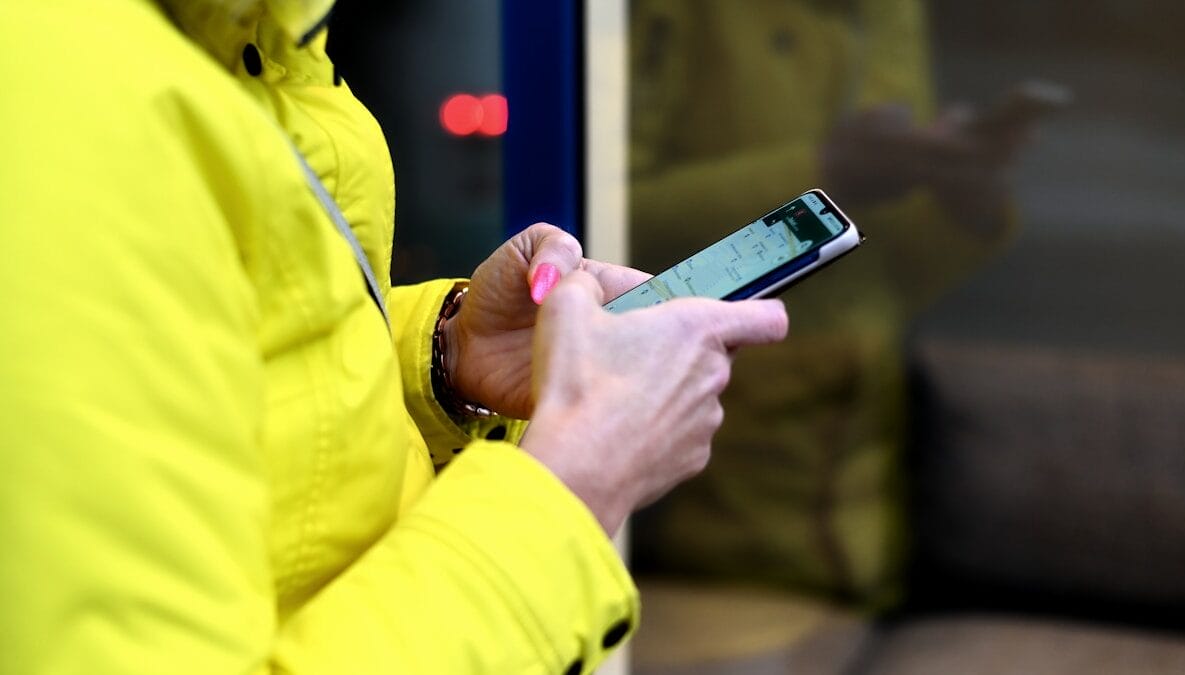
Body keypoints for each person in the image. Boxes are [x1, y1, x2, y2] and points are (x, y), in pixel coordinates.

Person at [0, 1, 788, 673]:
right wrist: (571, 489)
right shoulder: (60, 97)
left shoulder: (243, 42)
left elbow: (216, 377)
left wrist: (443, 361)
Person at [629, 0, 1036, 610]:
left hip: (869, 492)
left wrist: (961, 201)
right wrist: (824, 177)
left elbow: (887, 267)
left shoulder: (892, 13)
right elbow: (604, 223)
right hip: (715, 507)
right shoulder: (679, 15)